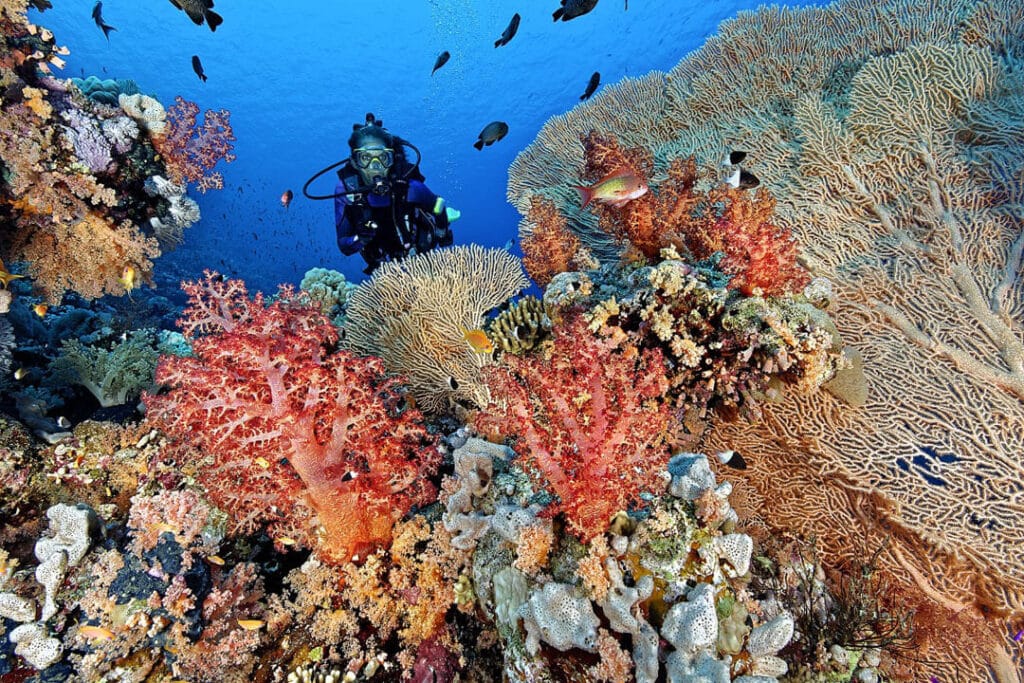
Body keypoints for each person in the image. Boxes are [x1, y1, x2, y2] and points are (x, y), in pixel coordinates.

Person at [333, 116, 458, 274]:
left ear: (392, 159)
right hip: (383, 264)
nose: (375, 167)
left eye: (383, 158)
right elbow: (344, 245)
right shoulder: (346, 191)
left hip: (418, 252)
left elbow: (438, 205)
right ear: (354, 162)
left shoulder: (409, 187)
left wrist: (442, 233)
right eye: (365, 158)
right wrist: (360, 238)